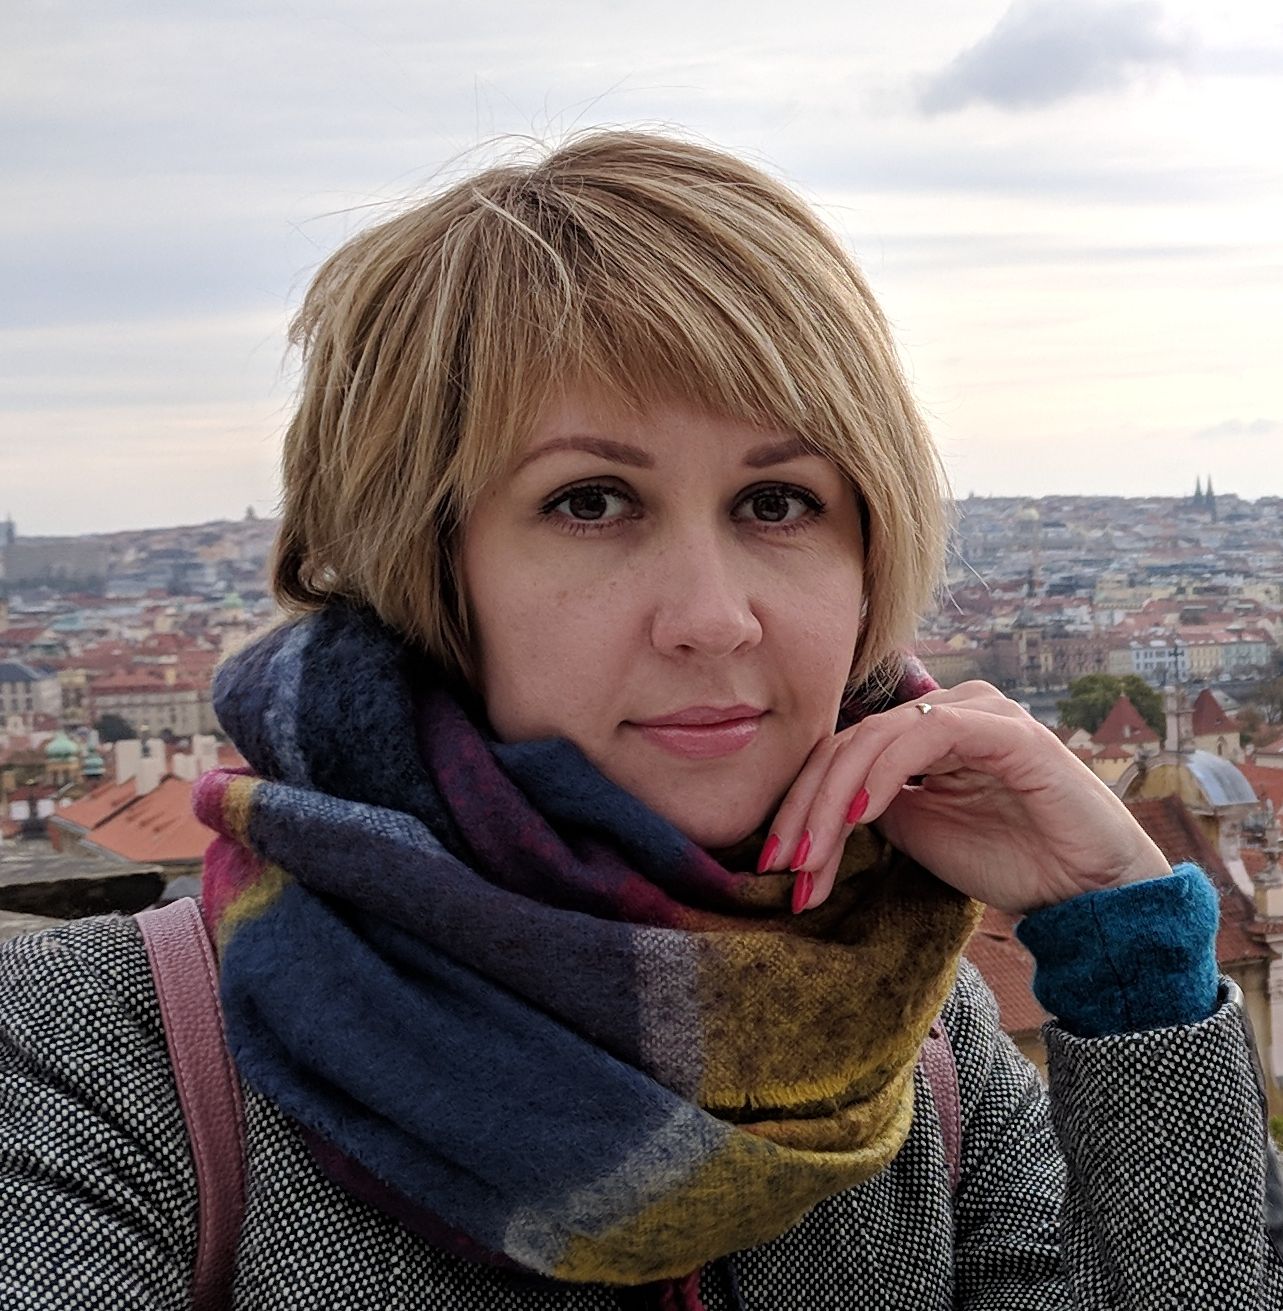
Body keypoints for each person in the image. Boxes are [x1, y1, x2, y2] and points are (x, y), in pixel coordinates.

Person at [1, 130, 1280, 1310]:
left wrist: (1119, 939)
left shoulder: (924, 1047)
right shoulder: (95, 1057)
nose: (711, 619)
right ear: (426, 565)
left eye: (776, 503)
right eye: (590, 501)